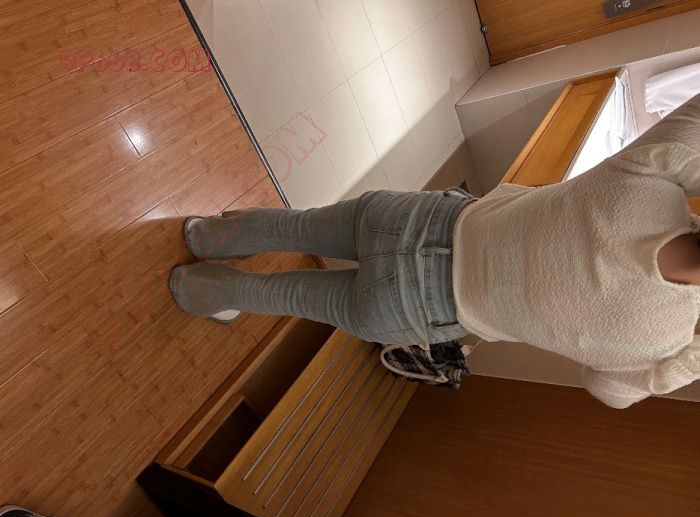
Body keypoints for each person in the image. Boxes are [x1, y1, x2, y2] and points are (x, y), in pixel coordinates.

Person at [170, 94, 700, 409]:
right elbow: (609, 391)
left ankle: (206, 235)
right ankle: (199, 289)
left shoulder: (653, 178)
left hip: (415, 220)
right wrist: (689, 363)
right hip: (414, 309)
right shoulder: (662, 341)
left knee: (300, 226)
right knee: (285, 295)